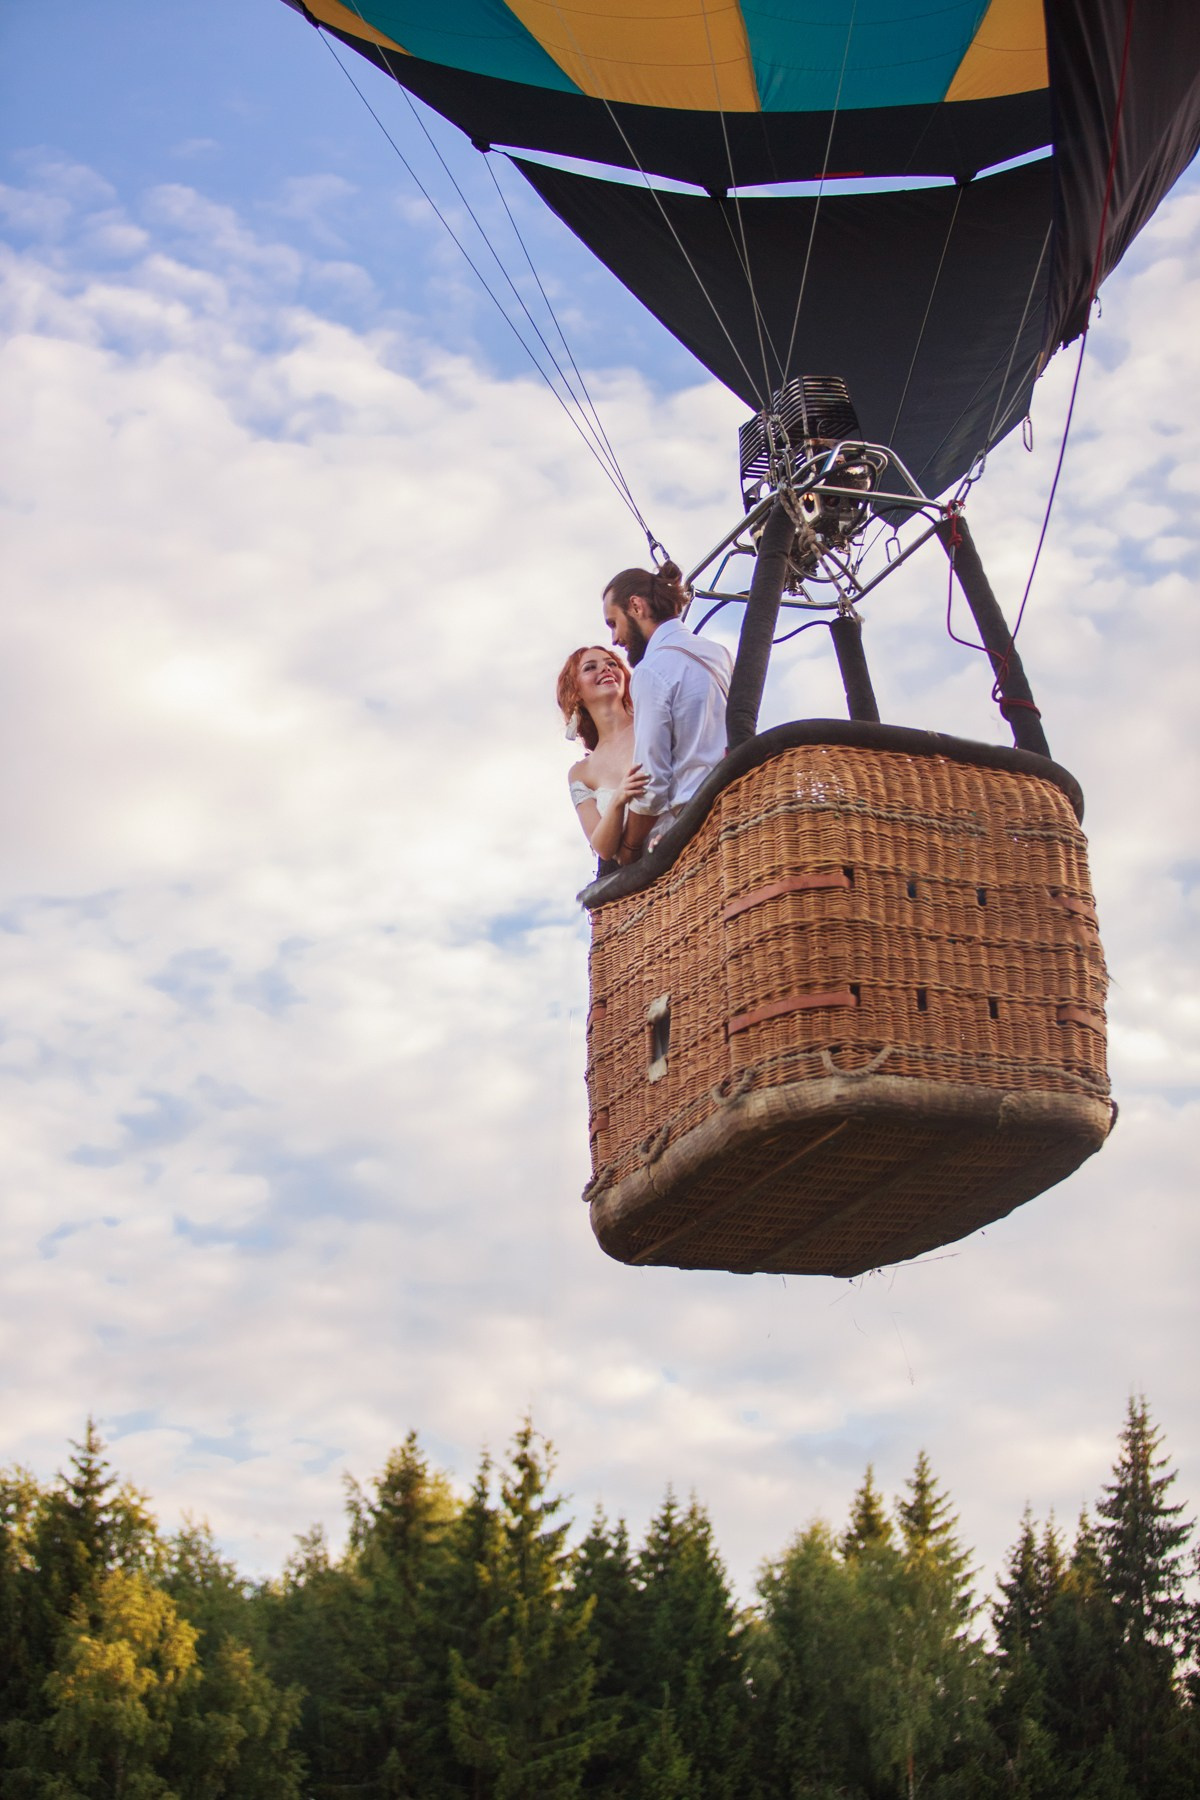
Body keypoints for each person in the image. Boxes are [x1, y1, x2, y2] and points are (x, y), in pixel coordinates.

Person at [602, 560, 731, 861]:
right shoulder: (719, 653)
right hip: (736, 804)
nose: (614, 639)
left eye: (613, 623)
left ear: (636, 606)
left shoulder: (651, 671)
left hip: (695, 830)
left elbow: (651, 781)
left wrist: (629, 851)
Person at [556, 645, 648, 869]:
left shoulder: (650, 723)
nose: (606, 669)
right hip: (641, 887)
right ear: (575, 692)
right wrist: (618, 800)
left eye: (612, 664)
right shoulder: (581, 772)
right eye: (590, 667)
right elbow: (603, 848)